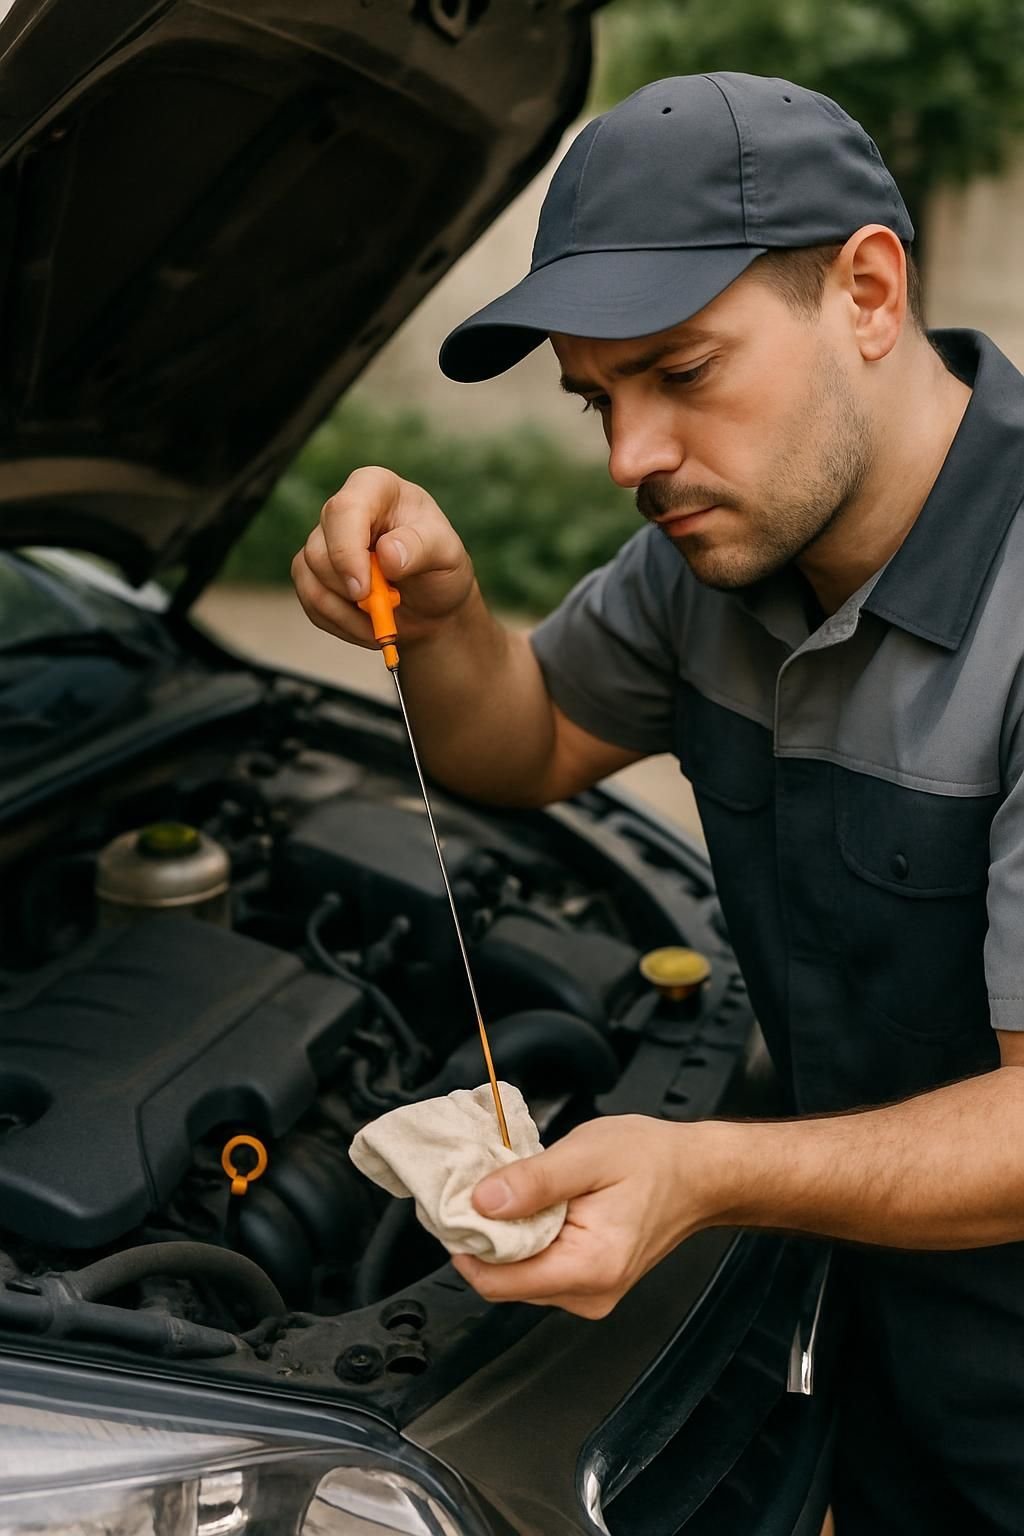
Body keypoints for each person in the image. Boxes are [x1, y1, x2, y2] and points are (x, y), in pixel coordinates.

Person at [292, 73, 1024, 1533]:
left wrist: (703, 1175)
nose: (631, 457)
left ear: (868, 293)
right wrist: (441, 622)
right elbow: (532, 738)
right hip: (866, 1360)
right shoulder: (718, 558)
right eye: (598, 398)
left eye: (682, 373)